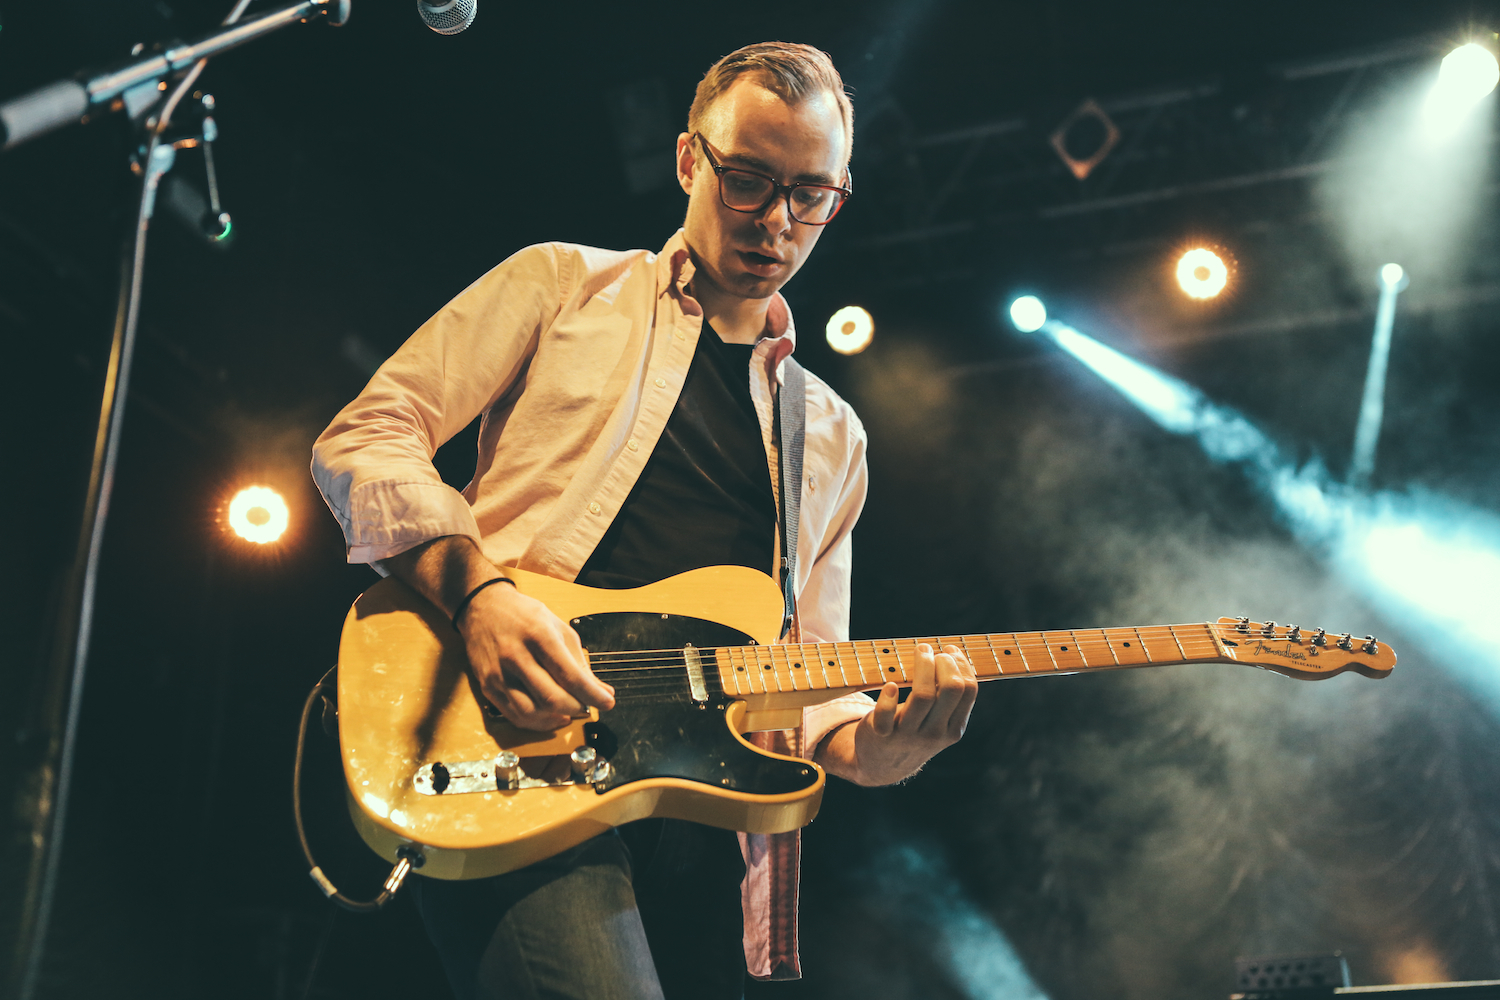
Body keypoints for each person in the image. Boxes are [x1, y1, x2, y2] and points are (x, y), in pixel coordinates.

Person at [311, 41, 979, 1000]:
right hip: (510, 751)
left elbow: (817, 695)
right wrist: (483, 597)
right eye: (747, 181)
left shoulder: (833, 437)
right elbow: (367, 436)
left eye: (811, 196)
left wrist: (895, 746)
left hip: (698, 830)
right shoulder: (560, 286)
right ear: (686, 162)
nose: (777, 222)